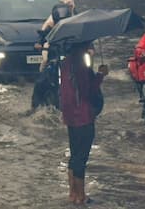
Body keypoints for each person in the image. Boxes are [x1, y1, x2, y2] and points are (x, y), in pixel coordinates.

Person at [60, 40, 107, 205]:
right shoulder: (81, 65)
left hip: (70, 117)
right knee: (81, 158)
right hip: (83, 117)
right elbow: (89, 90)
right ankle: (81, 196)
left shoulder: (66, 63)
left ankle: (72, 193)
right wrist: (100, 75)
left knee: (74, 156)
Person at [31, 0, 75, 110]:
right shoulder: (50, 27)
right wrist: (39, 43)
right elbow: (42, 36)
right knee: (41, 81)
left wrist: (89, 48)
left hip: (71, 60)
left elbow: (84, 40)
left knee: (87, 75)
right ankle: (34, 107)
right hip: (55, 60)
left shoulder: (75, 27)